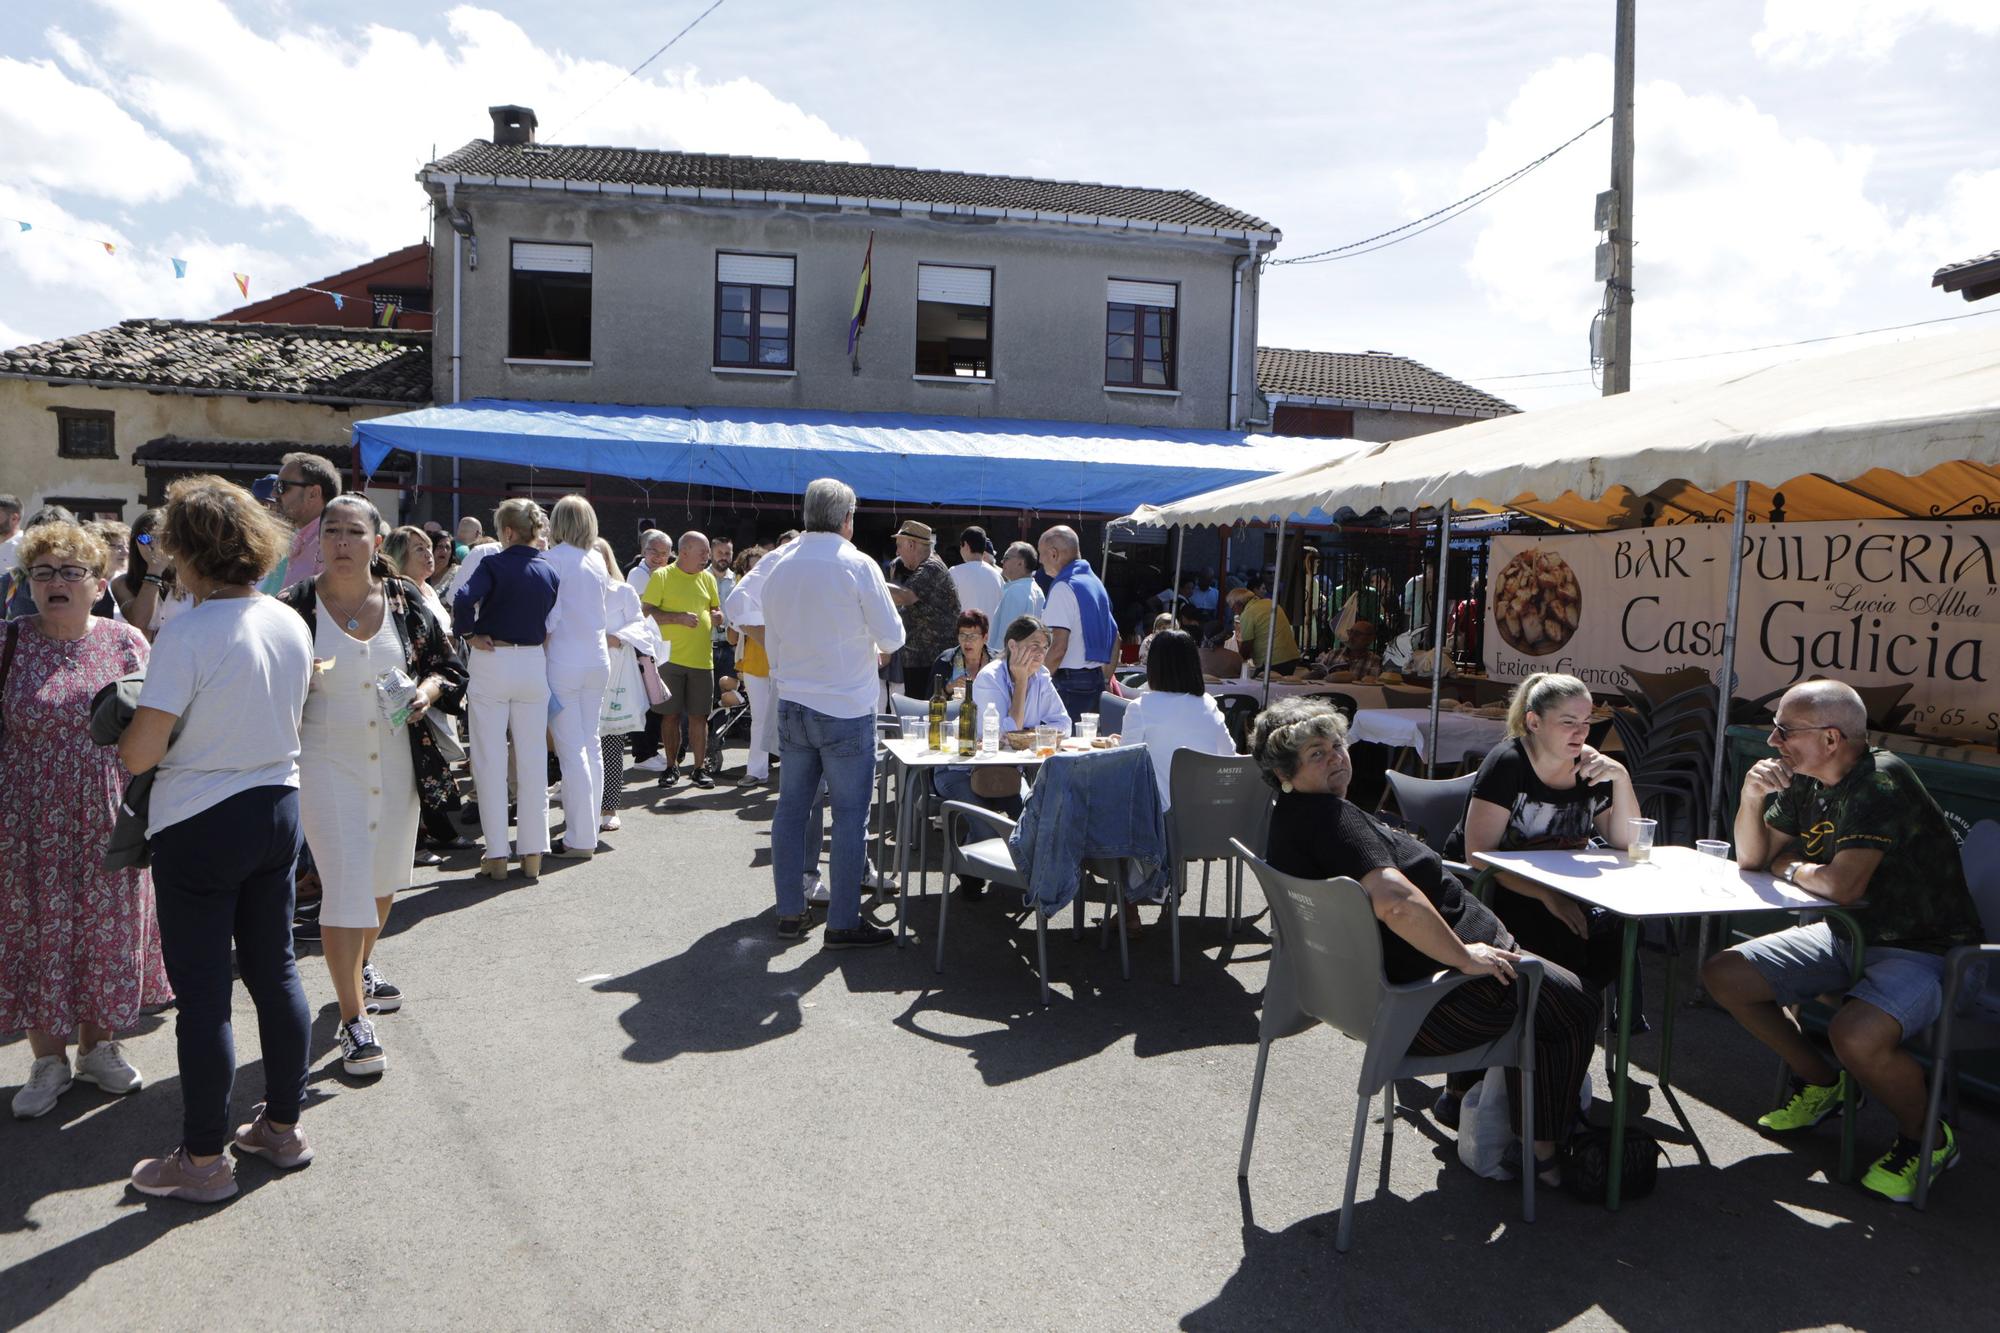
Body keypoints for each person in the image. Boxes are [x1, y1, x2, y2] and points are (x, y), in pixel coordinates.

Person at [1250, 697, 1600, 1185]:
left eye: (1337, 745)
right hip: (1431, 1009)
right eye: (1316, 754)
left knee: (1550, 983)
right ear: (1285, 771)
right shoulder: (1332, 819)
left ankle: (1463, 1099)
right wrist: (1465, 955)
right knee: (1577, 1008)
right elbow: (1395, 902)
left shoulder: (1288, 818)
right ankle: (1542, 1155)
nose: (1337, 758)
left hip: (1369, 1001)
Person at [1703, 679, 1986, 1204]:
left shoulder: (1880, 781)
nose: (1773, 743)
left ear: (1832, 738)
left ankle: (1928, 1138)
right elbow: (1751, 858)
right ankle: (1823, 1084)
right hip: (1847, 935)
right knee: (1725, 974)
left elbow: (1840, 884)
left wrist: (1792, 865)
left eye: (1784, 730)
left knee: (1853, 1033)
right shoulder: (1805, 780)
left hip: (1930, 952)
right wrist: (1750, 798)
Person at [118, 476, 315, 1203]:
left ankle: (202, 1159)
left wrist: (126, 735)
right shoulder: (288, 620)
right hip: (278, 807)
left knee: (204, 999)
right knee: (278, 973)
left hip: (201, 819)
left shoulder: (189, 630)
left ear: (189, 551)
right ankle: (282, 1126)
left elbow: (141, 751)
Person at [279, 495, 465, 1076]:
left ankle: (362, 963)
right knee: (344, 885)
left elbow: (447, 666)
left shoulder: (406, 600)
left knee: (384, 880)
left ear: (375, 542)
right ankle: (354, 1019)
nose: (339, 541)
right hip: (325, 766)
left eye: (353, 531)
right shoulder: (294, 608)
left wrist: (426, 693)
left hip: (396, 761)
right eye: (330, 530)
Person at [1, 521, 170, 1119]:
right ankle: (48, 1059)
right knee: (37, 934)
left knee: (106, 930)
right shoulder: (9, 642)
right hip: (24, 825)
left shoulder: (128, 643)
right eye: (42, 572)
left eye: (71, 572)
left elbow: (159, 727)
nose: (56, 583)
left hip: (109, 816)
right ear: (27, 583)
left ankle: (99, 1048)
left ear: (100, 585)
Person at [1429, 672, 1639, 1128]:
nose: (1581, 733)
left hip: (1560, 889)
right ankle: (1472, 1080)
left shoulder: (1591, 767)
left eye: (1587, 721)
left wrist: (1620, 777)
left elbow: (1625, 840)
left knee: (1614, 934)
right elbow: (1479, 857)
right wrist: (1547, 896)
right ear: (1534, 722)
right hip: (1488, 888)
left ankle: (1548, 1059)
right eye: (1569, 722)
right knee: (1550, 937)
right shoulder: (1508, 763)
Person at [728, 478, 904, 945]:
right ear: (846, 518)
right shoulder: (857, 563)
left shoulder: (779, 559)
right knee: (850, 817)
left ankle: (790, 911)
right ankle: (843, 921)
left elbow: (735, 603)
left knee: (791, 810)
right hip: (845, 705)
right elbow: (893, 638)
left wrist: (776, 639)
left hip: (794, 702)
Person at [452, 499, 560, 881]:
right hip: (533, 663)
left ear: (508, 532)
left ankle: (496, 853)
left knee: (489, 757)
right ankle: (533, 851)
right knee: (531, 760)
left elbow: (463, 598)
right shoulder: (549, 570)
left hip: (493, 658)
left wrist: (468, 633)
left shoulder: (493, 563)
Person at [935, 615, 1074, 899]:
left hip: (1008, 772)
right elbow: (1000, 733)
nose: (1040, 653)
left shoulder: (1042, 678)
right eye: (1033, 645)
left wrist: (1028, 730)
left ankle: (1030, 882)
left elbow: (1063, 725)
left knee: (1032, 818)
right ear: (1012, 644)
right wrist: (1021, 684)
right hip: (963, 770)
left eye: (1045, 647)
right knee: (985, 826)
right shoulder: (990, 677)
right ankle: (968, 865)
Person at [542, 496, 614, 857]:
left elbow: (550, 620)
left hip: (564, 660)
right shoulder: (598, 561)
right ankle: (589, 830)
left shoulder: (552, 560)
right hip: (597, 659)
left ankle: (580, 837)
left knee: (573, 751)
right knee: (591, 745)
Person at [1113, 629, 1235, 809]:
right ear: (1194, 665)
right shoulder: (1208, 704)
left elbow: (1125, 770)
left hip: (1158, 820)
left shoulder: (1140, 708)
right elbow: (1229, 755)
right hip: (1207, 816)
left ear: (1153, 667)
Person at [641, 531, 723, 789]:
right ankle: (670, 767)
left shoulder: (708, 579)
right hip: (669, 659)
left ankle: (698, 769)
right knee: (670, 716)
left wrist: (717, 616)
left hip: (702, 659)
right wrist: (678, 618)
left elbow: (714, 608)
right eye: (703, 552)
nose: (707, 557)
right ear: (685, 551)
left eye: (708, 552)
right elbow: (646, 613)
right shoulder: (662, 576)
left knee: (700, 717)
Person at [596, 537, 654, 828]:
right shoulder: (570, 592)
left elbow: (640, 625)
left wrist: (615, 638)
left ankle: (609, 808)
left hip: (616, 674)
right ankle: (582, 807)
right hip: (580, 675)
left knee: (613, 742)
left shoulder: (623, 590)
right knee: (579, 746)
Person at [1037, 524, 1116, 723]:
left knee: (1061, 745)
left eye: (1041, 553)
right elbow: (1117, 638)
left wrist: (1035, 681)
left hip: (1069, 682)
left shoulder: (1064, 587)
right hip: (1095, 679)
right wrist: (1105, 679)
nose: (1039, 560)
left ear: (1053, 554)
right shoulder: (1095, 583)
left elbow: (1058, 647)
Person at [886, 520, 959, 700]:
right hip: (922, 660)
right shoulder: (927, 567)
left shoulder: (931, 567)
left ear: (911, 544)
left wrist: (870, 581)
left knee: (926, 716)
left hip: (929, 662)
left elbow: (905, 596)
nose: (897, 552)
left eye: (899, 546)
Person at [726, 546, 776, 789]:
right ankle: (756, 771)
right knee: (759, 719)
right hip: (754, 664)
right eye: (751, 566)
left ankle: (795, 776)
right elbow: (732, 639)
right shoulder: (742, 596)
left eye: (760, 565)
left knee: (788, 720)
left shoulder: (780, 592)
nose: (756, 570)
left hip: (782, 663)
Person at [264, 451, 339, 594]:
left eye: (282, 486)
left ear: (313, 493)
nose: (274, 494)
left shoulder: (331, 545)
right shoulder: (300, 539)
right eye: (275, 486)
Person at [1229, 583, 1300, 676]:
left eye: (1232, 607)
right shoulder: (1270, 603)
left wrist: (1236, 662)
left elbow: (1247, 645)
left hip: (1274, 661)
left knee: (1255, 687)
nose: (1233, 610)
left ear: (1239, 604)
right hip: (1291, 657)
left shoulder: (1248, 613)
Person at [385, 524, 449, 622]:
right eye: (420, 549)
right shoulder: (398, 594)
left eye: (428, 547)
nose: (429, 554)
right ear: (400, 557)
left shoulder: (428, 588)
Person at [950, 525, 1005, 625]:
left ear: (965, 545)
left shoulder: (954, 572)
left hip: (964, 636)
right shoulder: (997, 575)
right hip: (990, 637)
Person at [993, 540, 1046, 640]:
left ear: (1020, 563)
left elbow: (1006, 636)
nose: (1002, 561)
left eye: (1006, 558)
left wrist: (998, 655)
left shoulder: (1015, 592)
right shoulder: (1037, 591)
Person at [934, 609, 992, 697]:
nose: (967, 642)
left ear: (985, 638)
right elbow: (929, 704)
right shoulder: (944, 661)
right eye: (962, 636)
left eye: (973, 636)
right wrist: (948, 689)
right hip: (954, 711)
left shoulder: (998, 663)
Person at [709, 536, 737, 680]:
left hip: (730, 647)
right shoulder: (699, 578)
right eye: (719, 553)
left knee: (729, 697)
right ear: (710, 553)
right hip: (704, 647)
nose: (724, 557)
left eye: (728, 553)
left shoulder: (738, 580)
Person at [628, 528, 673, 599]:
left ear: (669, 556)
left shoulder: (671, 572)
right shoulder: (636, 573)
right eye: (654, 552)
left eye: (663, 553)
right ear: (644, 552)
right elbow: (646, 606)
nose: (658, 556)